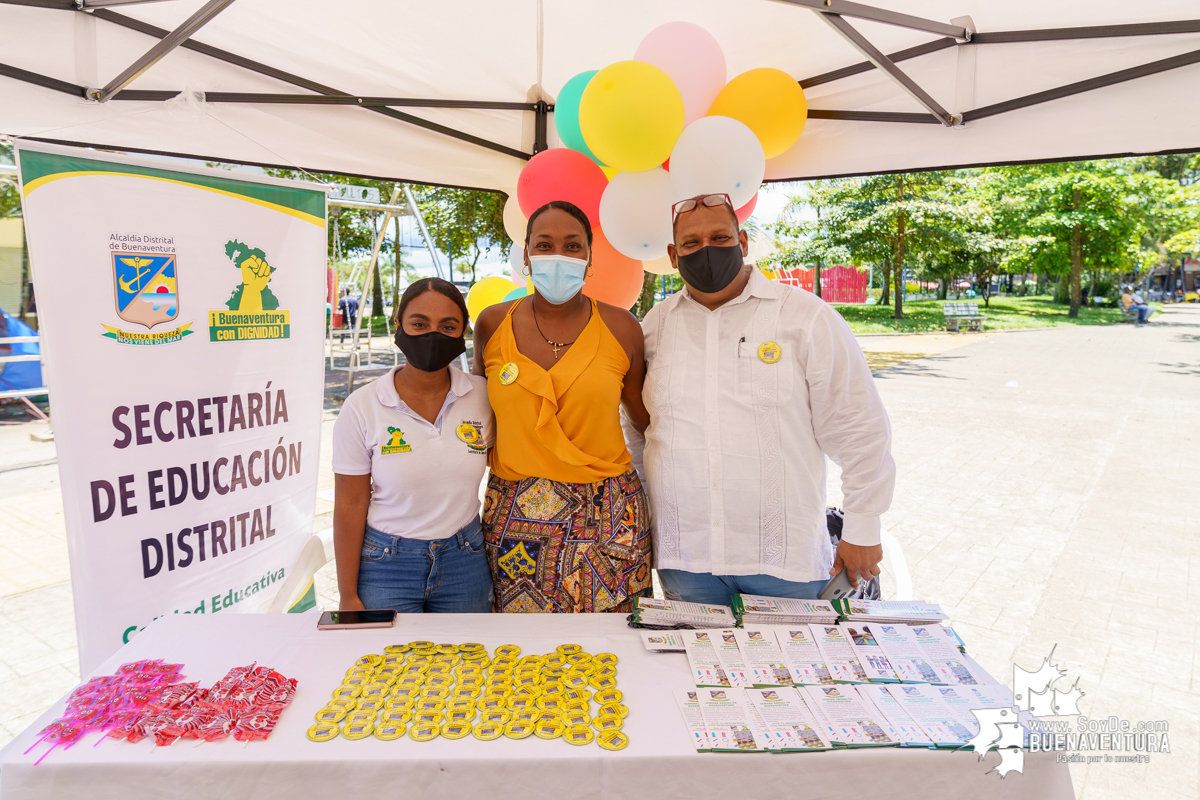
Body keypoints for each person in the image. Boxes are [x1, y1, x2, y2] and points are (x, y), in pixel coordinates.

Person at [626, 193, 895, 606]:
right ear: (673, 256)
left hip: (785, 562)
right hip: (687, 560)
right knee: (694, 672)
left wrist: (862, 529)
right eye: (691, 244)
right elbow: (641, 435)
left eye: (719, 237)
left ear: (743, 241)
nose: (707, 251)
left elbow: (859, 428)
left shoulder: (805, 317)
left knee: (793, 672)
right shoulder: (656, 326)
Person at [472, 200, 652, 613]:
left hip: (610, 519)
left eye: (572, 246)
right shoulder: (492, 324)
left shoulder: (622, 327)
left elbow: (646, 423)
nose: (558, 256)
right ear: (527, 255)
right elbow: (475, 418)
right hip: (515, 520)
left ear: (589, 259)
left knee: (616, 656)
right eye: (545, 244)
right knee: (523, 658)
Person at [332, 277, 494, 613]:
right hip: (387, 565)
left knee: (466, 662)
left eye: (448, 326)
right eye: (419, 323)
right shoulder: (363, 406)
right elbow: (349, 503)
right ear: (398, 324)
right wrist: (347, 595)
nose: (433, 335)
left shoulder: (484, 397)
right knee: (391, 664)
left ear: (462, 332)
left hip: (465, 562)